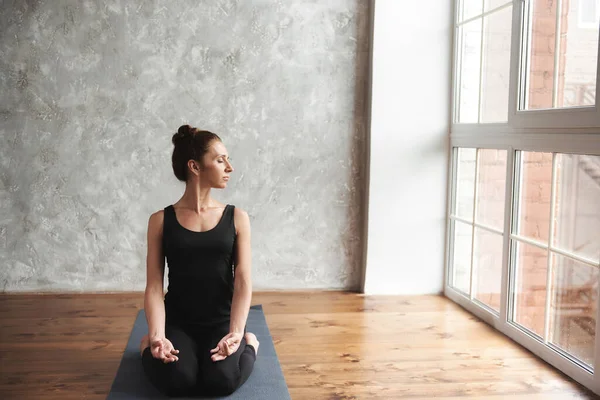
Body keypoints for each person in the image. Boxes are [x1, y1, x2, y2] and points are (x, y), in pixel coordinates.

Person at [139, 124, 259, 397]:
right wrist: (158, 335)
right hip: (179, 321)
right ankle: (145, 345)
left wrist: (238, 333)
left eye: (227, 159)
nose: (229, 167)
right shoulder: (160, 221)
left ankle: (252, 344)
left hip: (221, 321)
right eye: (220, 160)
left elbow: (242, 280)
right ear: (195, 167)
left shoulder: (237, 217)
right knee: (178, 381)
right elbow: (154, 287)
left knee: (221, 382)